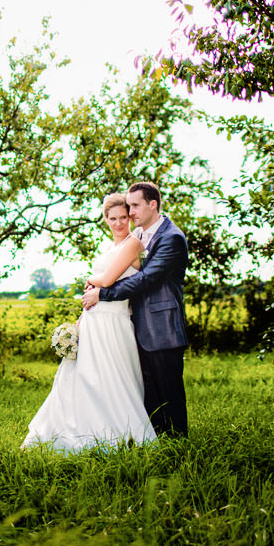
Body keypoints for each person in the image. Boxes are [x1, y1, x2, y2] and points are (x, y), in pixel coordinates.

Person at [21, 193, 157, 452]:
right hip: (94, 320)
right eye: (112, 218)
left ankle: (119, 434)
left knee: (113, 380)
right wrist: (80, 321)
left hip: (114, 322)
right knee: (81, 378)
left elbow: (106, 280)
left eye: (123, 217)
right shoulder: (110, 247)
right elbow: (98, 284)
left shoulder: (133, 243)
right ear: (105, 220)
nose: (118, 223)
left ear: (130, 217)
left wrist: (92, 279)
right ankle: (80, 430)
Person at [82, 181, 188, 437]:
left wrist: (102, 293)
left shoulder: (172, 237)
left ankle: (178, 445)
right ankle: (154, 439)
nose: (129, 213)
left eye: (134, 206)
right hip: (137, 324)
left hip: (163, 327)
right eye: (127, 206)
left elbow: (146, 279)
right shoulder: (139, 235)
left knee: (169, 392)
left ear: (153, 204)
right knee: (148, 392)